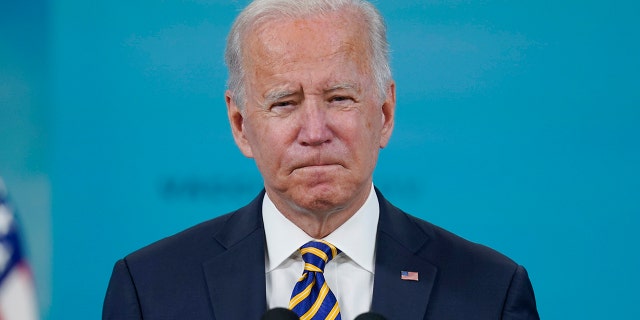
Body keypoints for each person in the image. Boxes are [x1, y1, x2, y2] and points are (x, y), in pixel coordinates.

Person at [103, 0, 539, 319]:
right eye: (284, 104)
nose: (314, 132)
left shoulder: (490, 292)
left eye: (339, 98)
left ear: (384, 114)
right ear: (240, 124)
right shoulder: (151, 289)